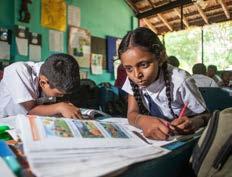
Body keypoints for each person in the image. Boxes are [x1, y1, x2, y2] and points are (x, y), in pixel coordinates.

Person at [118, 27, 209, 140]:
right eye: (129, 68)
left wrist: (195, 122)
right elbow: (132, 114)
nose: (136, 75)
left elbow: (207, 115)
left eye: (144, 65)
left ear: (160, 57)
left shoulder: (180, 80)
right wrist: (141, 121)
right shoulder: (132, 80)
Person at [0, 53, 82, 118]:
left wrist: (64, 105)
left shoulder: (52, 73)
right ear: (43, 83)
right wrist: (60, 107)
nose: (61, 96)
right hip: (6, 122)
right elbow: (30, 110)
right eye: (59, 93)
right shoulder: (18, 70)